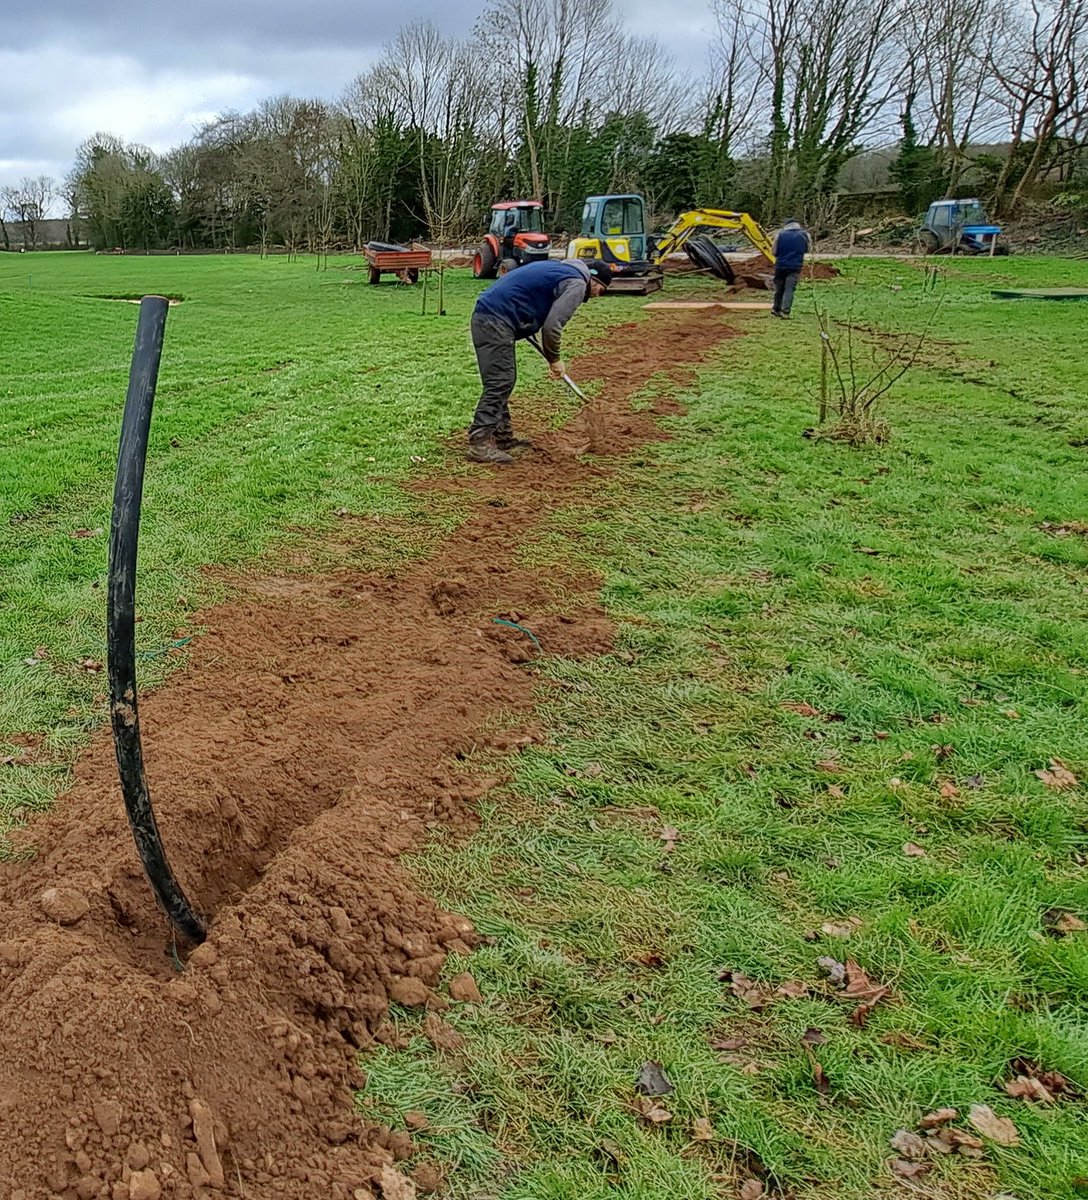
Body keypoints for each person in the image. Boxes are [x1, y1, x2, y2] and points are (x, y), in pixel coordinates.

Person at [467, 258, 613, 465]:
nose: (598, 295)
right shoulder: (578, 283)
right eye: (602, 290)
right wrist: (555, 359)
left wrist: (523, 321)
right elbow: (552, 326)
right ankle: (479, 442)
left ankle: (502, 437)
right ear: (595, 281)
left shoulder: (560, 270)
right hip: (494, 319)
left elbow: (527, 294)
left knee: (503, 380)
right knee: (500, 381)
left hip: (493, 316)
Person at [770, 218, 812, 318]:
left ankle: (776, 309)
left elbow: (773, 252)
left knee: (779, 288)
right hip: (795, 266)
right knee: (789, 289)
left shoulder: (779, 234)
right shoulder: (805, 235)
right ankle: (785, 311)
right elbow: (808, 249)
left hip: (780, 265)